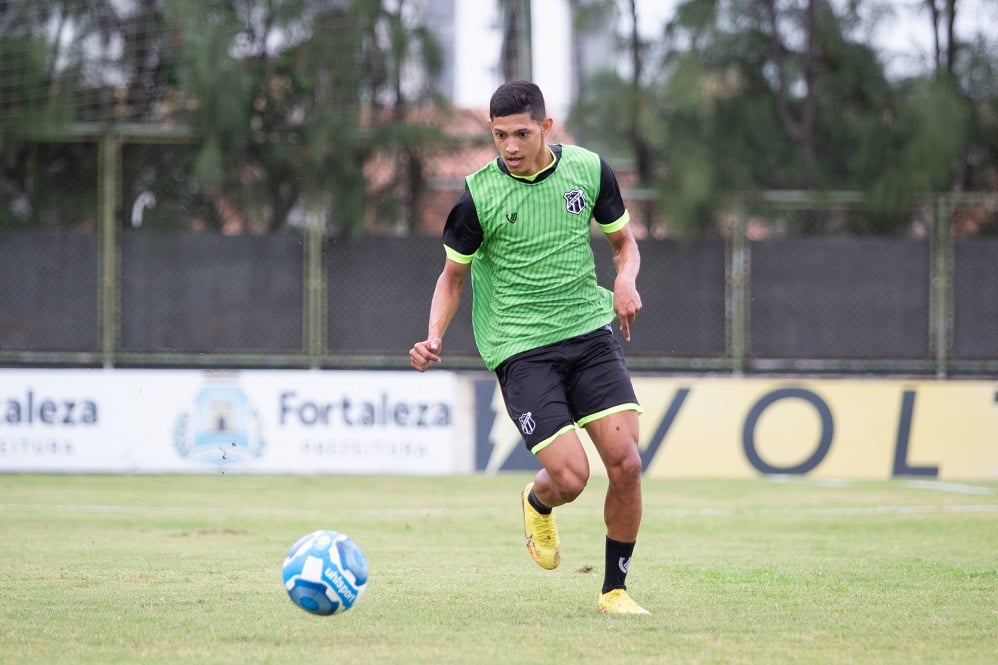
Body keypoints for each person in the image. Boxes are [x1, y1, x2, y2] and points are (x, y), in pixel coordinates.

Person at [409, 80, 648, 615]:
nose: (511, 147)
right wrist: (434, 337)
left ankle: (614, 591)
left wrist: (627, 280)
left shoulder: (588, 171)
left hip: (588, 331)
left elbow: (623, 245)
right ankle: (538, 501)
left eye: (521, 133)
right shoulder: (476, 196)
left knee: (627, 465)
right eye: (499, 136)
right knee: (572, 477)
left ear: (546, 127)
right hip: (520, 346)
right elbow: (452, 278)